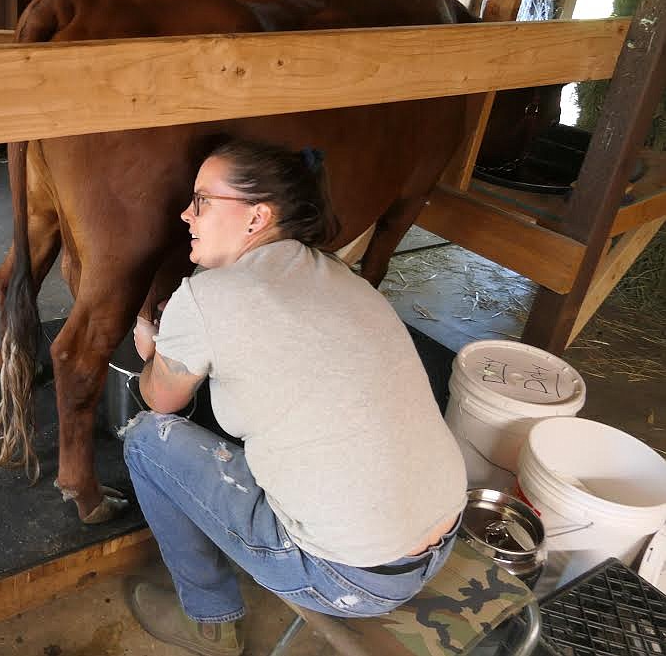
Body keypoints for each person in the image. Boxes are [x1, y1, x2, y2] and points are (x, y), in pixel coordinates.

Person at [124, 139, 467, 656]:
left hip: (349, 576)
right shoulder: (337, 274)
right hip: (443, 533)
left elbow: (160, 399)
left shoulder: (205, 297)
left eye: (201, 201)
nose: (185, 213)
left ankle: (210, 622)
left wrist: (156, 349)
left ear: (256, 217)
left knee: (147, 440)